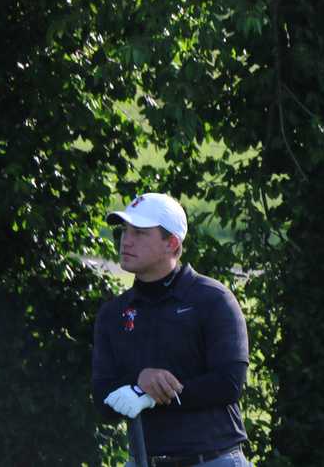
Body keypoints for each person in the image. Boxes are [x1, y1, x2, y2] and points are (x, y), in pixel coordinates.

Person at [93, 192, 251, 466]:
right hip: (143, 460)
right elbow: (102, 399)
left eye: (140, 233)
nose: (126, 240)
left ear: (172, 243)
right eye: (125, 231)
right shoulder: (113, 313)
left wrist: (150, 396)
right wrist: (140, 380)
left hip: (213, 459)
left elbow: (229, 383)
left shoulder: (212, 299)